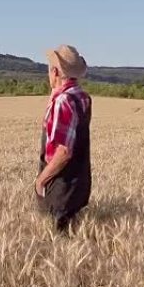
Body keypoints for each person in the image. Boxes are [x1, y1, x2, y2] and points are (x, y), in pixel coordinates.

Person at [35, 44, 92, 232]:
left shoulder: (63, 102)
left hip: (61, 185)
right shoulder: (82, 97)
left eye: (49, 70)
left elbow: (64, 151)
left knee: (56, 239)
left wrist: (41, 180)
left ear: (54, 71)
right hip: (80, 182)